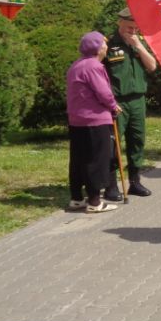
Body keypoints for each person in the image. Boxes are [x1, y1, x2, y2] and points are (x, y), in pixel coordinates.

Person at [103, 7, 158, 198]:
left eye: (136, 28)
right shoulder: (108, 44)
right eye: (129, 28)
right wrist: (108, 100)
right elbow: (99, 74)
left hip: (138, 100)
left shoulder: (139, 42)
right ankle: (111, 185)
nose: (132, 31)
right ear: (119, 23)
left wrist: (139, 46)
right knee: (114, 144)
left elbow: (152, 66)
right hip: (117, 101)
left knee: (137, 141)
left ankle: (135, 181)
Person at [66, 32, 122, 214]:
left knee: (78, 160)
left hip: (77, 120)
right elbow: (103, 92)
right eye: (103, 44)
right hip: (94, 120)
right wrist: (113, 106)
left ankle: (76, 198)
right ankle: (95, 201)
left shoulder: (77, 64)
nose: (106, 47)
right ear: (96, 47)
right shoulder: (93, 66)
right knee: (97, 160)